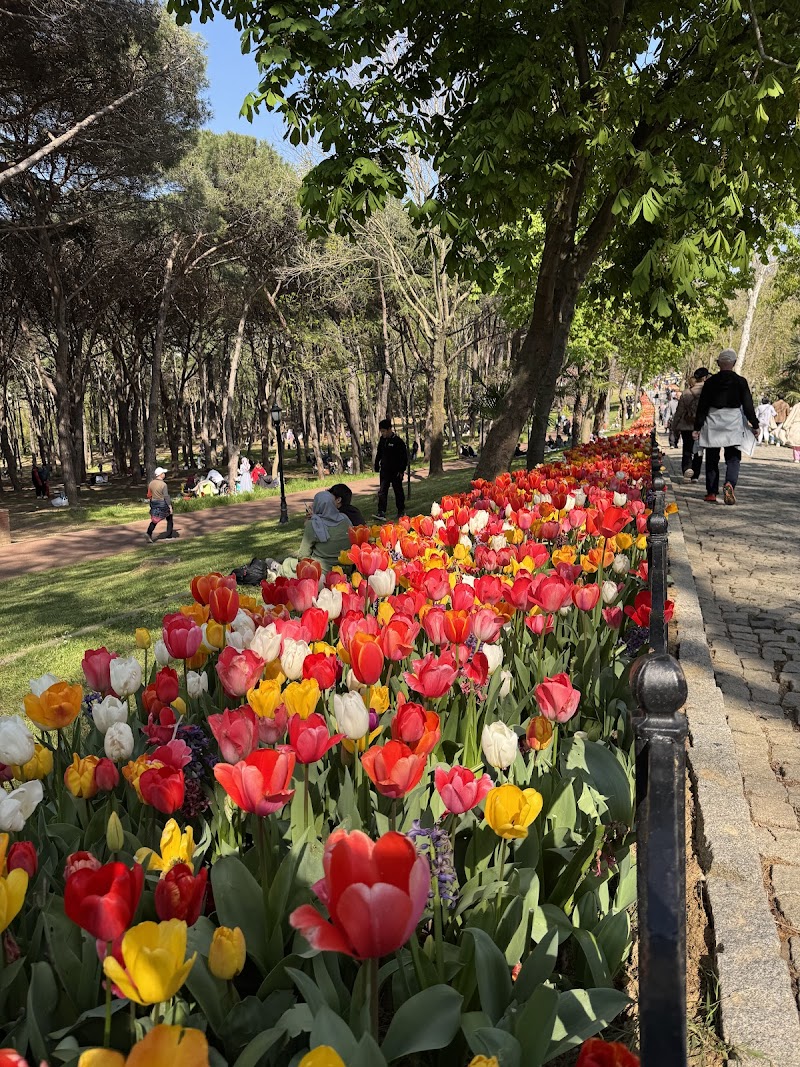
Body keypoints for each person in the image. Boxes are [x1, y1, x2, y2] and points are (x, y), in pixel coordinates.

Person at [694, 349, 759, 505]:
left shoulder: (710, 382)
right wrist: (755, 424)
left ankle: (711, 492)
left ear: (718, 363)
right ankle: (730, 483)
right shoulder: (740, 381)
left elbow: (702, 406)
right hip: (733, 422)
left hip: (713, 421)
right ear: (734, 363)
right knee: (733, 457)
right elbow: (748, 406)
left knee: (712, 458)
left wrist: (697, 427)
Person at [295, 490, 352, 574]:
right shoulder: (345, 519)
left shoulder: (313, 524)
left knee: (289, 564)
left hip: (321, 571)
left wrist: (310, 523)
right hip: (346, 568)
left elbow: (303, 555)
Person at [671, 367, 710, 481]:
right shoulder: (709, 392)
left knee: (687, 449)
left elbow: (679, 411)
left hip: (687, 425)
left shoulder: (686, 393)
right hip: (702, 425)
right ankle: (695, 475)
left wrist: (674, 426)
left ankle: (687, 469)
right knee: (699, 451)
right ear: (705, 378)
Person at [374, 418, 408, 520]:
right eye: (381, 431)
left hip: (396, 472)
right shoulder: (382, 440)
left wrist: (401, 470)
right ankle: (381, 511)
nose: (383, 433)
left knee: (398, 491)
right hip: (385, 471)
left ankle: (401, 510)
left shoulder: (398, 442)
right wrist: (376, 464)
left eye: (384, 431)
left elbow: (404, 457)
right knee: (382, 491)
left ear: (389, 429)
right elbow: (379, 453)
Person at [146, 467, 178, 542]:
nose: (164, 474)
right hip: (162, 503)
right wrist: (170, 506)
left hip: (154, 503)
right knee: (169, 517)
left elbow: (149, 495)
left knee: (155, 519)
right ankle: (169, 535)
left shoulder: (151, 483)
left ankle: (149, 533)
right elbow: (166, 496)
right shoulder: (163, 484)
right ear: (160, 474)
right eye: (163, 473)